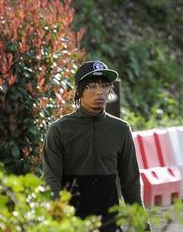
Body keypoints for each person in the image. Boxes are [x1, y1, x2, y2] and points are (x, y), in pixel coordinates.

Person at [42, 60, 144, 231]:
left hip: (109, 223)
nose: (99, 92)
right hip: (72, 224)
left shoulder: (120, 129)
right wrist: (56, 221)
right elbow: (52, 180)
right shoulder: (59, 130)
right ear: (79, 91)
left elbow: (130, 181)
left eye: (104, 86)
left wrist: (142, 225)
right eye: (91, 86)